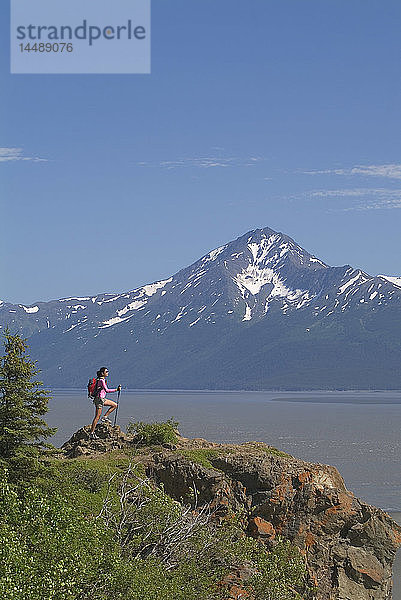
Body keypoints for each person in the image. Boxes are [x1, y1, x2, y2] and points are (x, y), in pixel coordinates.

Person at [89, 367, 121, 439]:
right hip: (99, 399)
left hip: (101, 399)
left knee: (115, 405)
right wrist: (116, 389)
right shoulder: (101, 380)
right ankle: (91, 433)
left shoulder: (101, 380)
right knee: (97, 417)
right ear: (102, 373)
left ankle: (105, 417)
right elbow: (107, 390)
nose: (107, 373)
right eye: (106, 372)